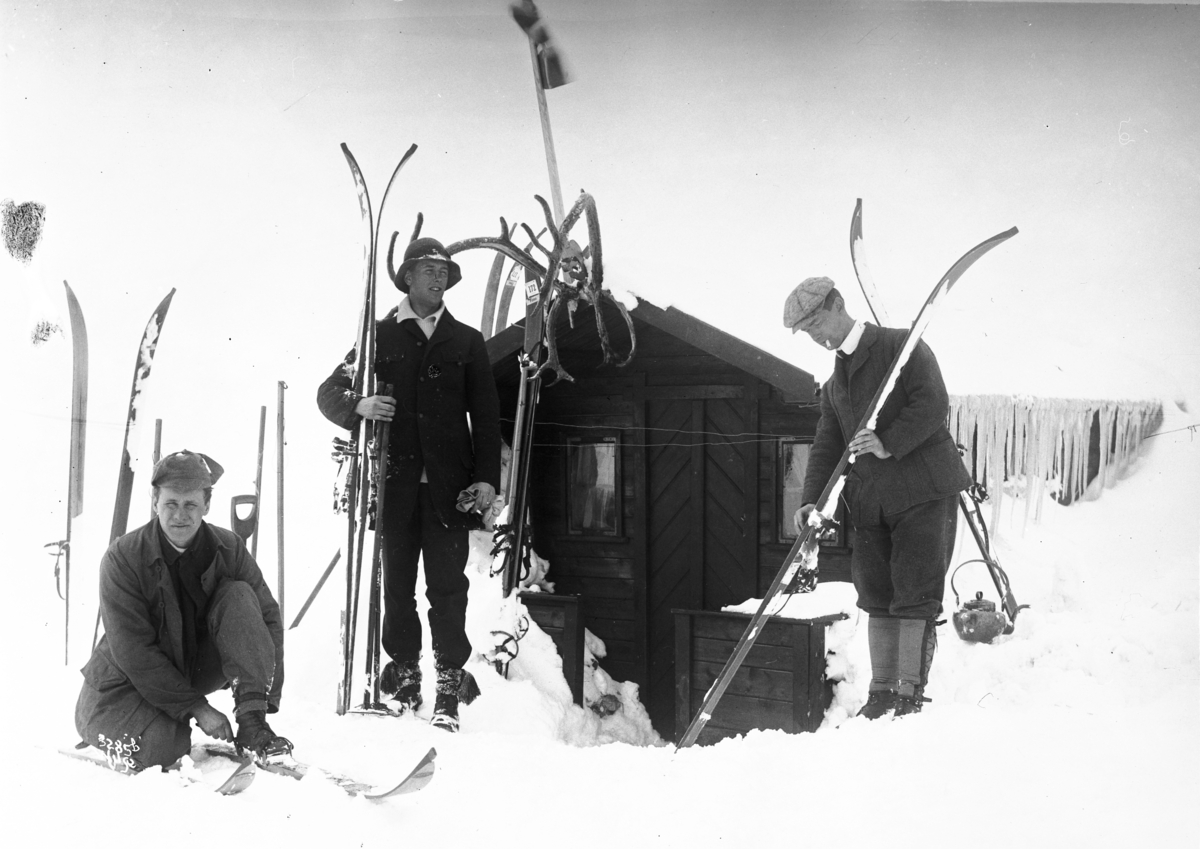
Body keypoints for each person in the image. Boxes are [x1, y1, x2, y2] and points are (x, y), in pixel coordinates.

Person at [317, 236, 502, 732]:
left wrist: (485, 478)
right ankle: (403, 681)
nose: (437, 278)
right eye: (428, 270)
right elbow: (329, 391)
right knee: (396, 589)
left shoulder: (466, 341)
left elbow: (485, 416)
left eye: (444, 271)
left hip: (450, 491)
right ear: (407, 278)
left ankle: (447, 689)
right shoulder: (378, 337)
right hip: (393, 488)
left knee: (448, 589)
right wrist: (359, 405)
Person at [783, 276, 971, 719]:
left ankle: (908, 693)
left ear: (838, 304)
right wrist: (813, 499)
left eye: (816, 325)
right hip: (873, 502)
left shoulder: (900, 347)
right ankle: (883, 691)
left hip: (923, 489)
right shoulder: (835, 382)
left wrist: (889, 441)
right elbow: (828, 442)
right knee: (876, 590)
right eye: (807, 333)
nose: (815, 337)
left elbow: (933, 402)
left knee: (915, 590)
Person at [74, 450, 289, 773]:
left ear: (206, 506)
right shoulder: (122, 558)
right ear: (155, 502)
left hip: (187, 673)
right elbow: (134, 651)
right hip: (121, 688)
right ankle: (117, 731)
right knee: (163, 747)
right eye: (171, 504)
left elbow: (268, 620)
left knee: (240, 595)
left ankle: (252, 726)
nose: (180, 516)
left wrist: (256, 707)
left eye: (190, 505)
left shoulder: (229, 547)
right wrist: (197, 707)